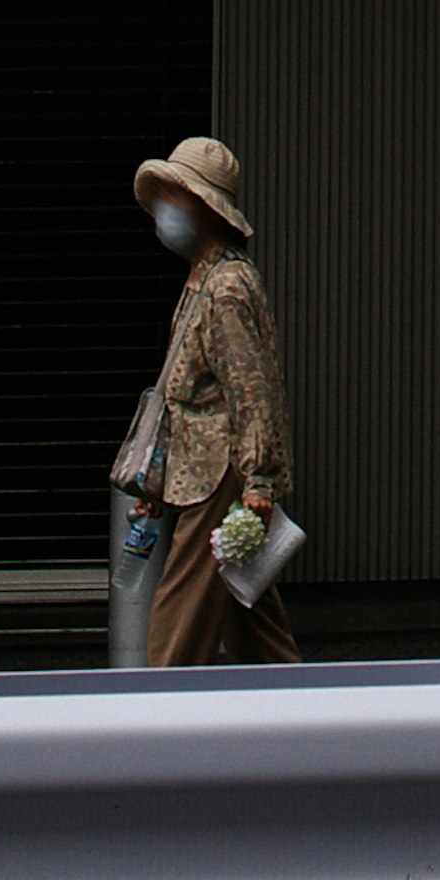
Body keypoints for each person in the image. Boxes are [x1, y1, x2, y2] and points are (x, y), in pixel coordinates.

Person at [122, 128, 299, 667]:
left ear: (204, 209)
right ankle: (304, 716)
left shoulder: (225, 287)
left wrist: (259, 481)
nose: (165, 212)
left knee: (178, 622)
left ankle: (159, 730)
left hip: (217, 475)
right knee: (250, 612)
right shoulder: (204, 280)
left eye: (175, 198)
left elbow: (253, 390)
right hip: (198, 473)